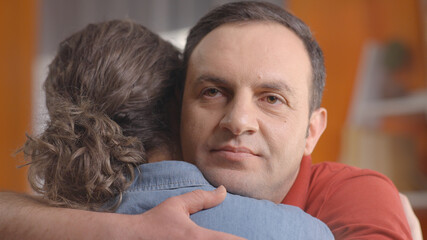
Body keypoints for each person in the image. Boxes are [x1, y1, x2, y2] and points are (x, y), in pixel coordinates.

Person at [0, 1, 418, 239]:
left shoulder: (355, 196)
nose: (238, 121)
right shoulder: (120, 196)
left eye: (271, 98)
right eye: (213, 92)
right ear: (176, 107)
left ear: (312, 131)